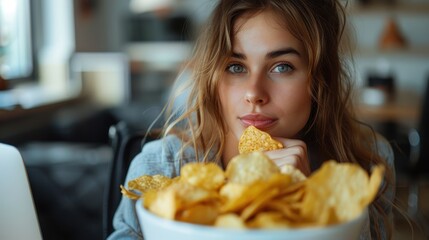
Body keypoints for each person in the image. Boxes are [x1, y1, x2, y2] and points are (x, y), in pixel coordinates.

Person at [107, 0, 395, 239]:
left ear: (320, 80)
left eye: (282, 67)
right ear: (212, 78)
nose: (254, 93)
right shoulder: (162, 168)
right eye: (235, 66)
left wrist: (306, 208)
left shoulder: (366, 166)